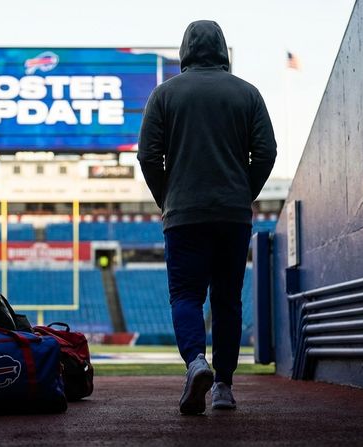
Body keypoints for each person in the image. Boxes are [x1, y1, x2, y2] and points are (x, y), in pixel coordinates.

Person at [137, 20, 276, 414]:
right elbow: (266, 152)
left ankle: (196, 361)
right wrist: (243, 193)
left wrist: (167, 198)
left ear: (185, 50)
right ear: (222, 49)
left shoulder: (164, 94)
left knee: (186, 295)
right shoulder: (247, 93)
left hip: (184, 215)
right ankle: (224, 387)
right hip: (232, 215)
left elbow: (148, 155)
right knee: (227, 300)